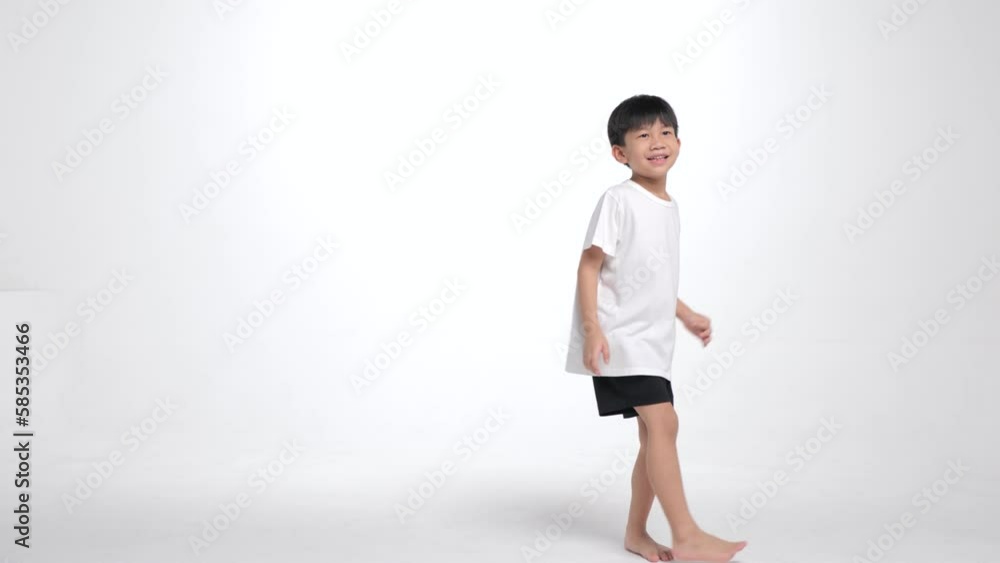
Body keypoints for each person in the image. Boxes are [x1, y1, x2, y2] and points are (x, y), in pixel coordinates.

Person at [564, 94, 748, 562]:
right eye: (642, 135)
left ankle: (636, 535)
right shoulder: (618, 200)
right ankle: (686, 535)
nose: (657, 141)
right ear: (620, 153)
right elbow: (590, 267)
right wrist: (592, 328)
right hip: (619, 339)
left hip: (652, 340)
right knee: (664, 422)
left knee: (654, 434)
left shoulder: (669, 207)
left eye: (665, 132)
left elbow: (650, 279)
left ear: (679, 143)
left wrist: (684, 314)